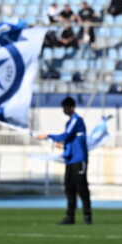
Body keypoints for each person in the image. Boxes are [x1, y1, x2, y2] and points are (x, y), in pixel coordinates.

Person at [37, 96, 91, 225]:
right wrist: (64, 145)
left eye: (65, 107)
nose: (64, 110)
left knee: (82, 188)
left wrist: (48, 136)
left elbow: (66, 135)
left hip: (79, 159)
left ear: (71, 107)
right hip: (70, 159)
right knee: (69, 188)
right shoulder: (70, 122)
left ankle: (87, 217)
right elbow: (71, 139)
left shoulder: (76, 120)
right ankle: (70, 216)